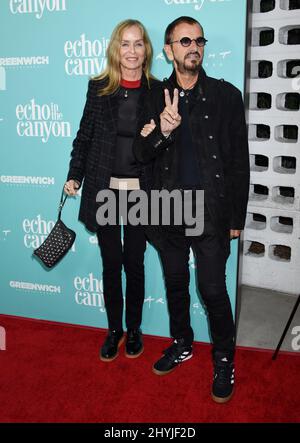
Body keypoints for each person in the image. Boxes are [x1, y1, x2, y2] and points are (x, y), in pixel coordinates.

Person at [134, 16, 250, 403]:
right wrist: (164, 132)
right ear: (168, 50)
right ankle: (182, 342)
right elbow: (139, 154)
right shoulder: (151, 98)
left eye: (198, 40)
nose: (193, 47)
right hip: (165, 209)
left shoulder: (226, 96)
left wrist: (236, 217)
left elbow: (238, 161)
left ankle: (223, 358)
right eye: (184, 41)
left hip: (212, 210)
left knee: (213, 289)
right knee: (176, 285)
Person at [64, 19, 157, 362]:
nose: (131, 51)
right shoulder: (99, 87)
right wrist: (74, 175)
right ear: (115, 49)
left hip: (139, 192)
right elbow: (84, 136)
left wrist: (156, 134)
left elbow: (166, 146)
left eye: (138, 44)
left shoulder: (158, 89)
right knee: (110, 262)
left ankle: (134, 329)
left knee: (134, 262)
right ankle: (114, 330)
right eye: (125, 44)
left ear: (146, 49)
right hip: (105, 190)